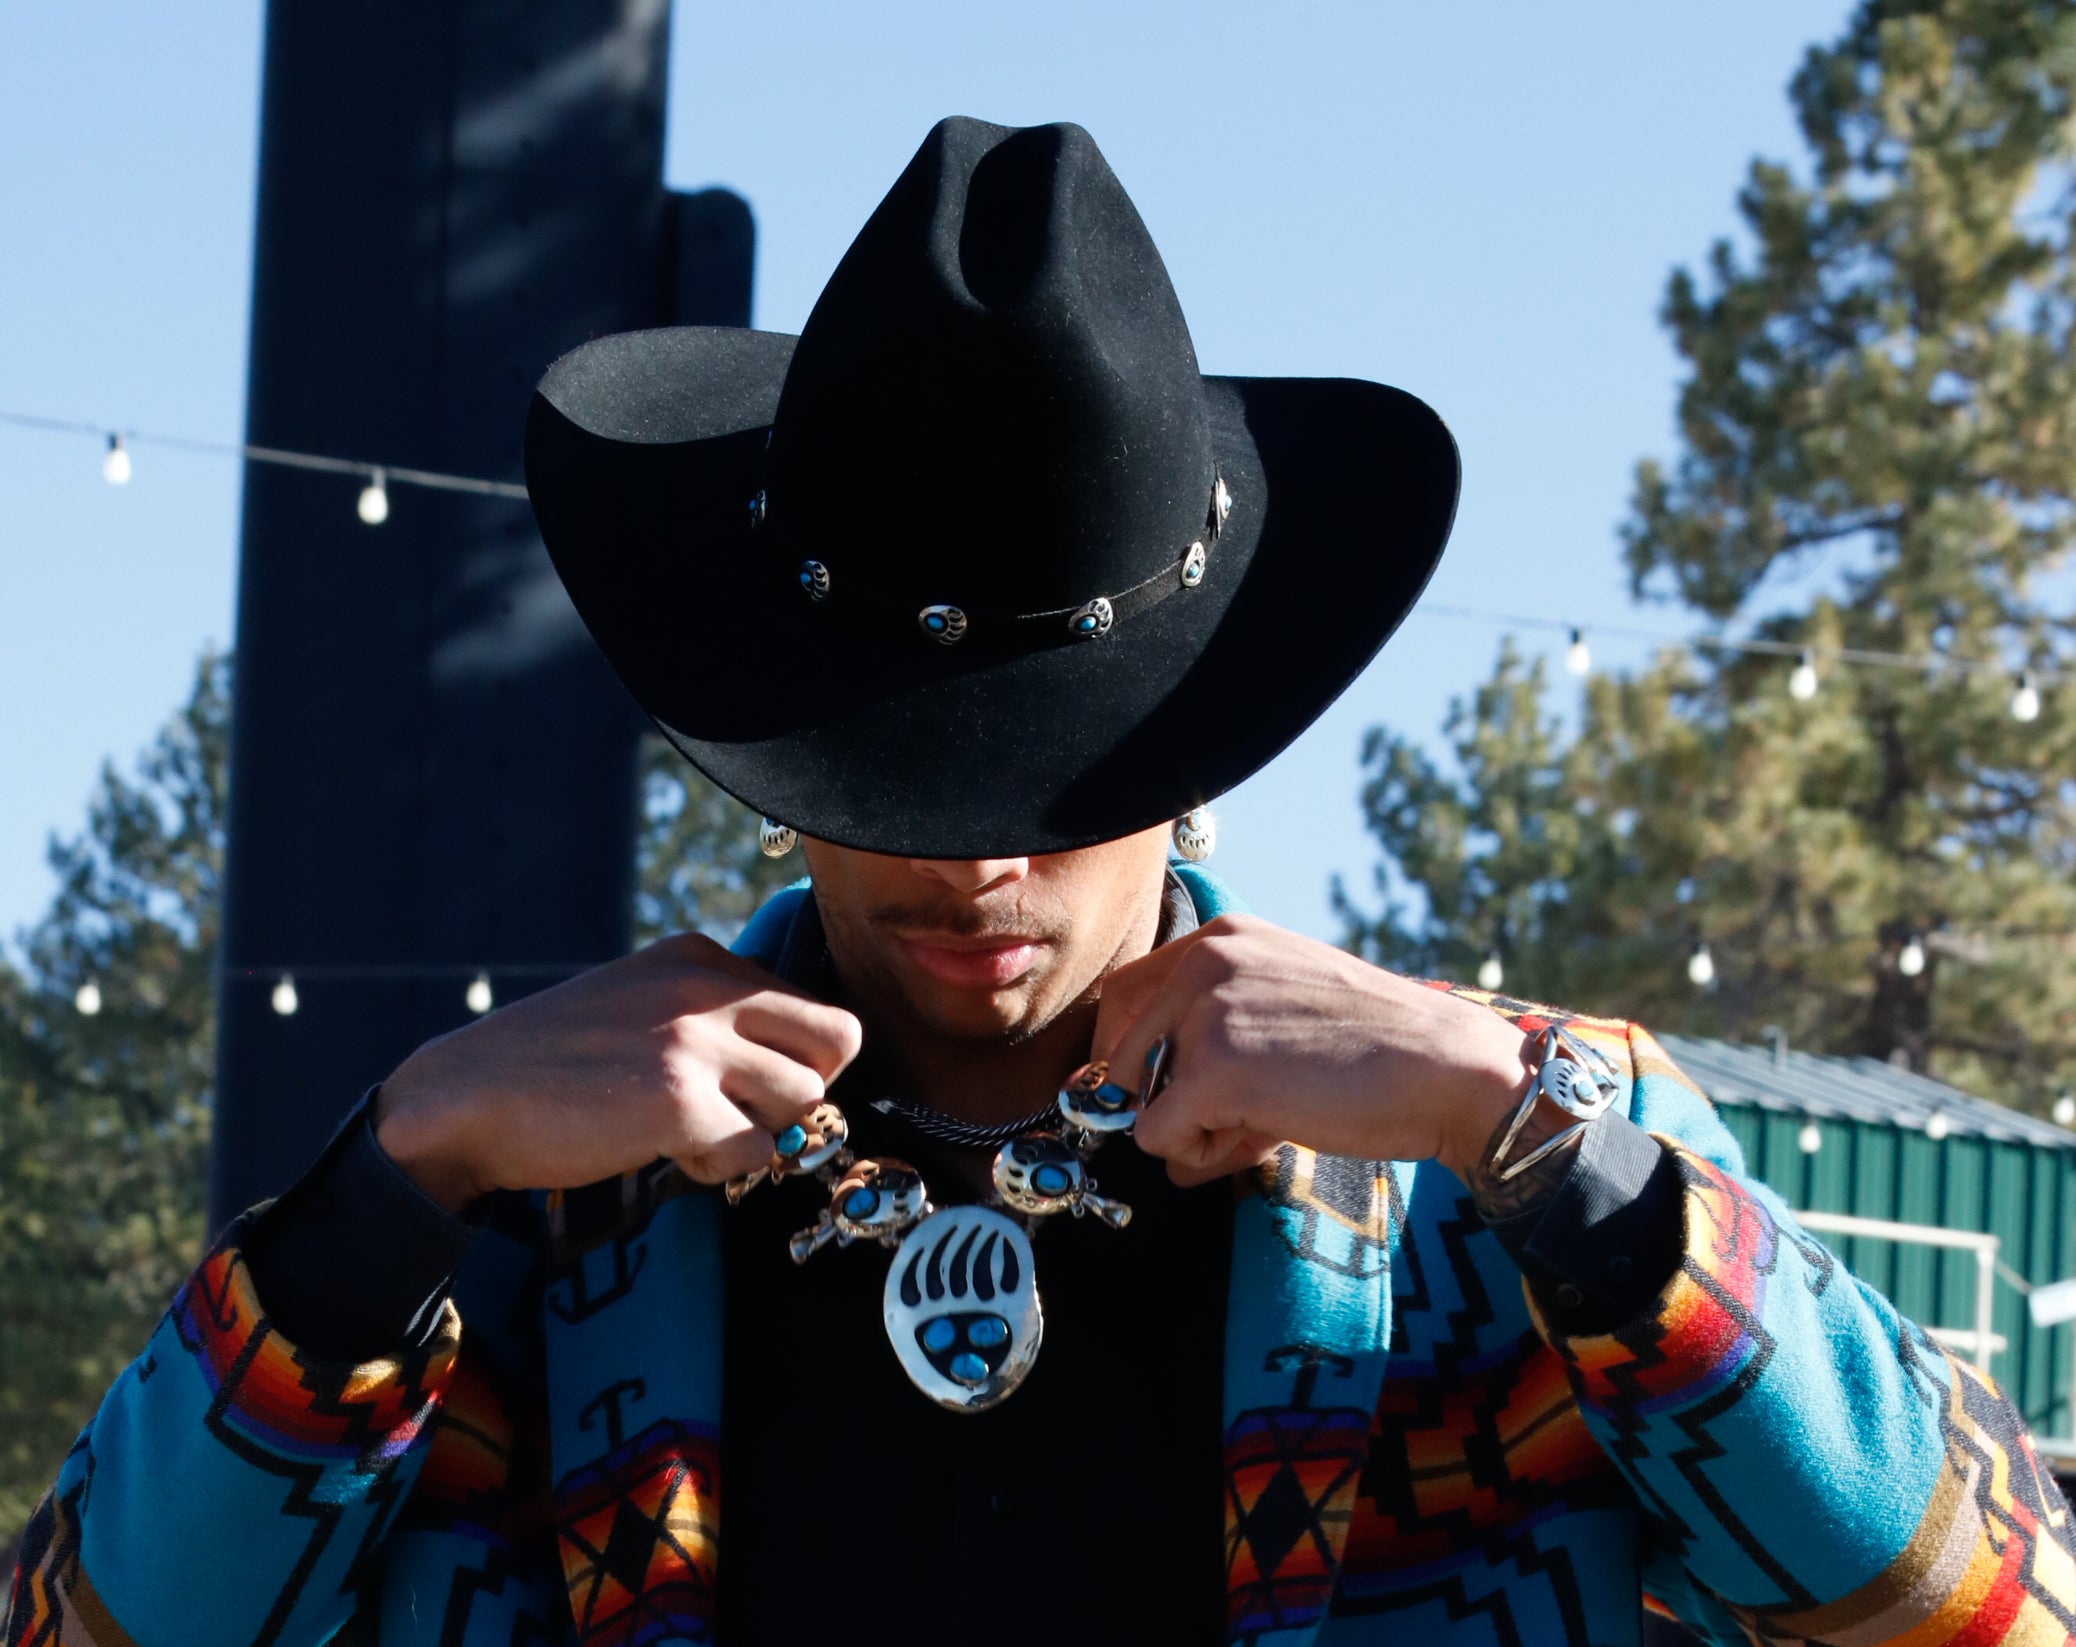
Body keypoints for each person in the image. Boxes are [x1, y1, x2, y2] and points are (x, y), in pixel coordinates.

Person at [8, 116, 2072, 1647]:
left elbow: (1988, 1600)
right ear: (773, 738)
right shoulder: (544, 1207)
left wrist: (1523, 1121)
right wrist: (406, 1158)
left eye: (1061, 772)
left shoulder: (1497, 1173)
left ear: (1198, 746)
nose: (974, 853)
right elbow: (89, 1626)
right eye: (893, 770)